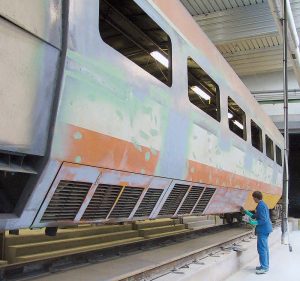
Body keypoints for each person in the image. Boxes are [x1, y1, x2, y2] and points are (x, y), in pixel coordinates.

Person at [240, 191, 272, 275]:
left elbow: (263, 219)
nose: (253, 199)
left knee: (261, 249)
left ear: (255, 197)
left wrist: (253, 222)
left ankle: (264, 267)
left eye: (253, 197)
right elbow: (256, 216)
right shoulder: (262, 204)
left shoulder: (261, 206)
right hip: (265, 229)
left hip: (263, 230)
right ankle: (265, 265)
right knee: (264, 248)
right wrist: (246, 212)